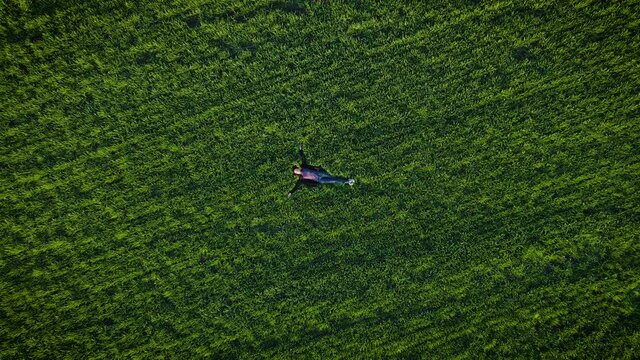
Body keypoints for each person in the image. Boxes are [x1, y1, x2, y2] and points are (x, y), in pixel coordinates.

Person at [288, 144, 355, 197]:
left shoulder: (303, 166)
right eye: (295, 171)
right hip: (319, 180)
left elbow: (303, 158)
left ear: (297, 168)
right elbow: (297, 186)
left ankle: (346, 180)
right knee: (333, 180)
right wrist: (291, 192)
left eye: (296, 169)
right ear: (296, 174)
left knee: (332, 176)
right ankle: (348, 181)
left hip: (319, 173)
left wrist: (300, 150)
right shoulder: (301, 178)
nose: (296, 171)